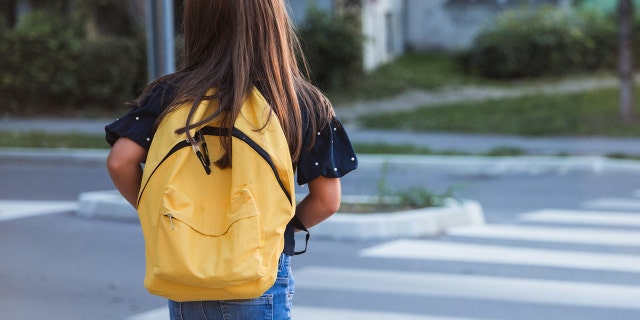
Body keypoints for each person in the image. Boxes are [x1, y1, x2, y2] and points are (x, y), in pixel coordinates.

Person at [104, 0, 358, 319]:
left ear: (197, 23)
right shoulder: (297, 100)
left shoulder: (170, 95)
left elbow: (120, 162)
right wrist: (277, 229)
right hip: (257, 274)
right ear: (273, 21)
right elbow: (328, 200)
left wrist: (160, 216)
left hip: (186, 265)